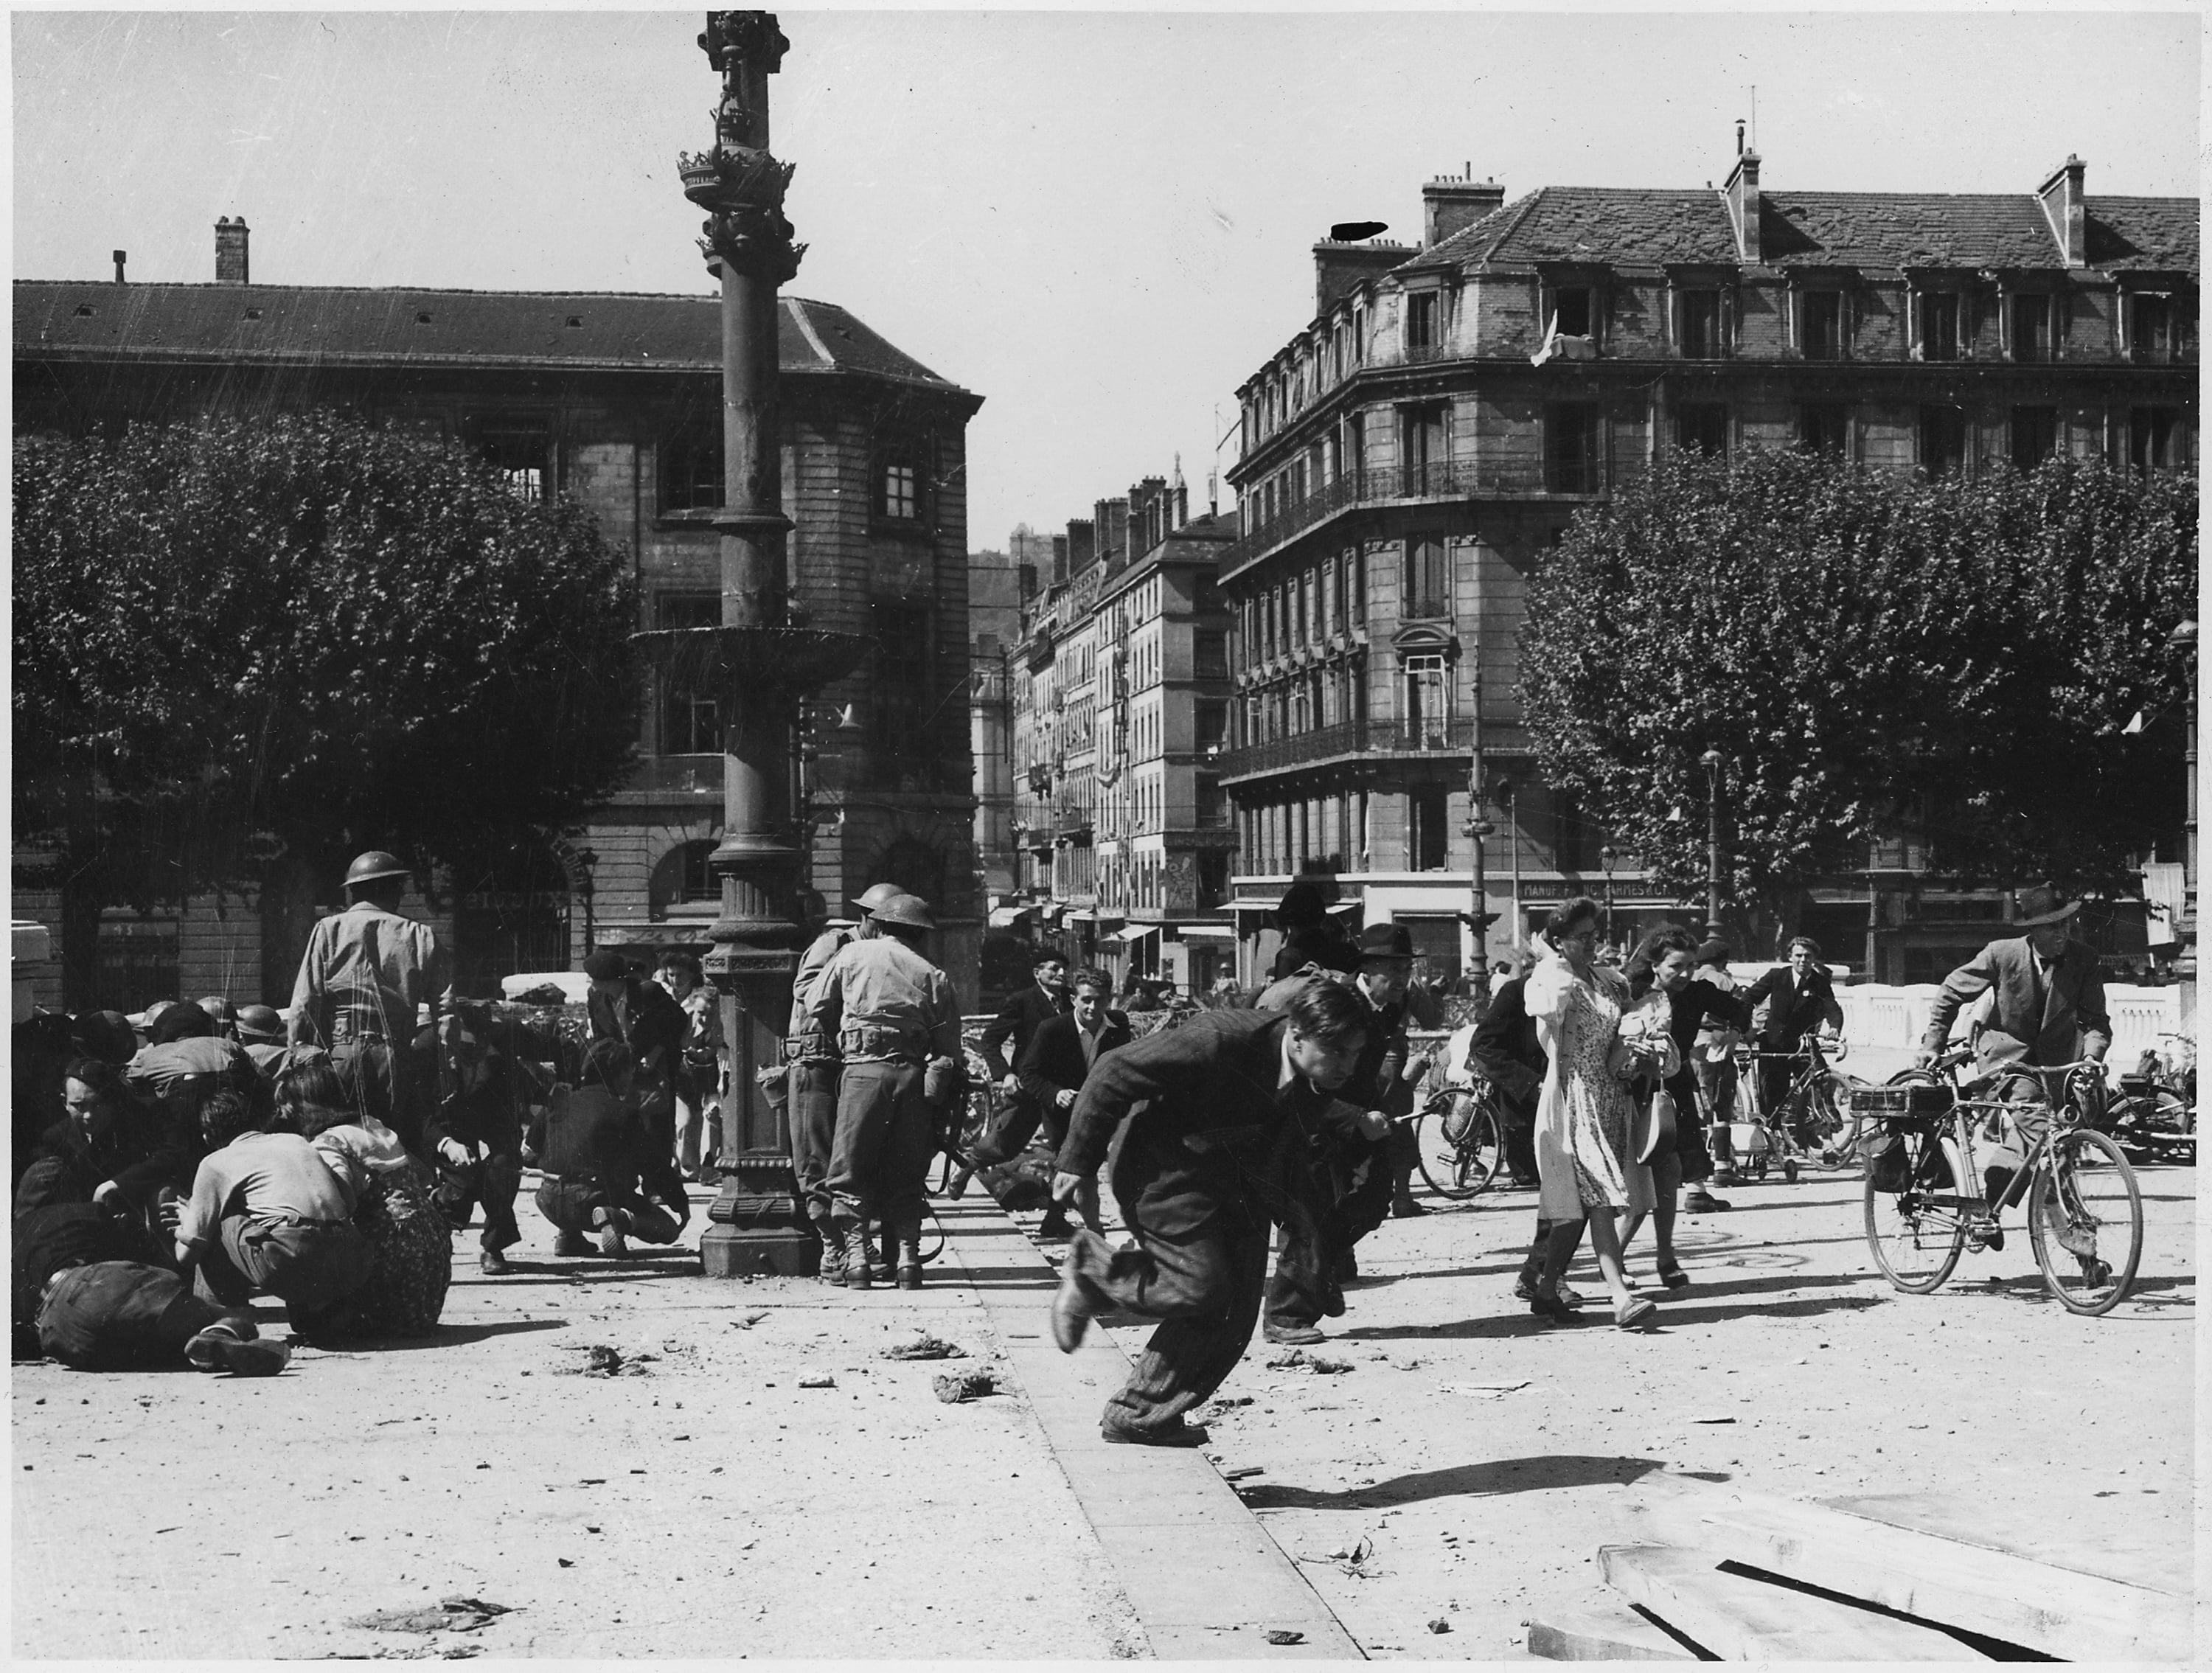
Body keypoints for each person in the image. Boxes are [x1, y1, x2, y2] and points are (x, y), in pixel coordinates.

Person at [1044, 981, 1374, 1446]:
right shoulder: (1220, 1038)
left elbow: (1291, 1143)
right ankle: (1094, 1272)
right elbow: (1114, 1069)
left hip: (1235, 1181)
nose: (1347, 1066)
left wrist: (1304, 1228)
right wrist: (1077, 1160)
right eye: (1336, 1052)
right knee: (1199, 1283)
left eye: (1354, 1053)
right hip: (1163, 1170)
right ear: (1296, 1034)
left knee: (1234, 1310)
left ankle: (1141, 1412)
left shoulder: (1319, 1074)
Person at [1261, 922, 1423, 1347]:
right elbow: (1301, 1080)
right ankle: (1286, 1316)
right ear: (1367, 969)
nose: (1403, 978)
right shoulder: (1340, 1004)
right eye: (1394, 969)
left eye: (1407, 969)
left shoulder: (1385, 1007)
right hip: (1313, 1124)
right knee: (1307, 1219)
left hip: (1355, 1123)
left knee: (1370, 1202)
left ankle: (1323, 1272)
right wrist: (1353, 1118)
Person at [799, 892, 962, 1290]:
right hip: (913, 1077)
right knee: (906, 1169)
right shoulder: (933, 974)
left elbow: (814, 1003)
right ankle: (908, 1262)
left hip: (863, 1073)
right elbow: (949, 1052)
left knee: (849, 1168)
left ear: (881, 923)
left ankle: (857, 1262)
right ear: (919, 935)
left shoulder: (853, 955)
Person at [1524, 897, 1663, 1331]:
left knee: (1576, 1212)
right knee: (1600, 1195)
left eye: (1593, 936)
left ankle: (1545, 1290)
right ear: (1559, 941)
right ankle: (1619, 1296)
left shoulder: (1609, 981)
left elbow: (1625, 1028)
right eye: (1580, 938)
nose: (1591, 944)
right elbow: (1548, 1007)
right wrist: (1553, 962)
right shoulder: (1549, 979)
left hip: (1610, 1097)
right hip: (1574, 1098)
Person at [289, 850, 453, 1155]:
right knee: (395, 1146)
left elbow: (305, 1000)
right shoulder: (421, 935)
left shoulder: (329, 929)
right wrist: (447, 1065)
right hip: (396, 1055)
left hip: (342, 1054)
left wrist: (300, 1052)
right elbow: (445, 1014)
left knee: (339, 1145)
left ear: (354, 890)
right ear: (392, 889)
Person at [280, 1063, 452, 1338]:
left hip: (390, 1253)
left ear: (306, 1104)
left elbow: (335, 1204)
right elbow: (423, 1174)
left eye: (288, 1104)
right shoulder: (373, 1126)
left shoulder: (329, 1143)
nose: (284, 1112)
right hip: (427, 1252)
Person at [1618, 928, 1750, 1287]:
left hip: (1672, 1088)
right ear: (1655, 964)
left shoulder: (1697, 992)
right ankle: (1610, 1261)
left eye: (1692, 966)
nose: (1686, 974)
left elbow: (1740, 1008)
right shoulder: (1630, 993)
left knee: (1669, 1171)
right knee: (1632, 1181)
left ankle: (1665, 1256)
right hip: (1629, 1089)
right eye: (1677, 966)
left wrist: (1735, 1032)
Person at [174, 1089, 373, 1314]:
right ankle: (324, 1315)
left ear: (207, 1137)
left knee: (219, 1223)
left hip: (294, 1259)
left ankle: (226, 1323)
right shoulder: (296, 1142)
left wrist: (188, 1221)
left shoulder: (214, 1162)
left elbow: (186, 1256)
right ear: (258, 1122)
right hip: (353, 1260)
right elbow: (348, 1202)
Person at [786, 886, 899, 1264]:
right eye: (884, 925)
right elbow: (806, 990)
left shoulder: (883, 952)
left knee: (852, 1161)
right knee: (816, 1160)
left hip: (854, 1064)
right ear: (866, 919)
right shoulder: (836, 943)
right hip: (817, 1062)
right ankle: (833, 1249)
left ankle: (854, 1243)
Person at [1466, 961, 1585, 1307]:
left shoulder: (1582, 993)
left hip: (1574, 1107)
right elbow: (1484, 1047)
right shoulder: (1517, 992)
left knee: (1571, 1195)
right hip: (1529, 1111)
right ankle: (1546, 1277)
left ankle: (1538, 1275)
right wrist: (1532, 1087)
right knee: (1565, 1196)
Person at [1918, 885, 2112, 1079]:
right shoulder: (2001, 954)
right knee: (2033, 1109)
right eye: (2052, 926)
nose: (2062, 933)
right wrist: (1934, 1045)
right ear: (2032, 929)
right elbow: (1950, 992)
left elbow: (2096, 1021)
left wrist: (2091, 1057)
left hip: (2059, 1065)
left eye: (2065, 923)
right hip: (2006, 1060)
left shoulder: (2084, 959)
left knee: (2089, 1107)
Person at [529, 1040, 692, 1259]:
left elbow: (530, 1151)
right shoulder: (624, 1112)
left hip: (548, 1200)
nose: (632, 1076)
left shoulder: (560, 1102)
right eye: (629, 1070)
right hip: (591, 1200)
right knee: (667, 1228)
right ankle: (616, 1218)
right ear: (618, 1072)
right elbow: (654, 1166)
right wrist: (680, 1203)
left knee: (573, 1170)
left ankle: (569, 1236)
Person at [1015, 967, 1128, 1242]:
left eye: (1099, 1000)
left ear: (1109, 999)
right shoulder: (1053, 1029)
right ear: (1074, 999)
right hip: (1062, 1113)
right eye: (1086, 999)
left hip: (1099, 1113)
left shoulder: (1118, 1026)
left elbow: (1123, 1067)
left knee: (1082, 1168)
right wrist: (1056, 1093)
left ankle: (1057, 1218)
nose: (1092, 1007)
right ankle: (1094, 1231)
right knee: (1083, 1169)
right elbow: (1028, 1073)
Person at [424, 1000, 532, 1276]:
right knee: (464, 1182)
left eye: (476, 1047)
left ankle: (494, 1247)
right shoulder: (429, 1059)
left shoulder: (499, 1060)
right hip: (447, 1129)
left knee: (503, 1168)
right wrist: (448, 1145)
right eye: (464, 1048)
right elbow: (421, 1117)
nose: (469, 1053)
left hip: (487, 1119)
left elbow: (526, 1095)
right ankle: (437, 1219)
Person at [33, 1261, 289, 1375]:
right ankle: (223, 1331)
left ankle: (203, 1340)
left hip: (63, 1332)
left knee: (156, 1346)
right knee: (224, 1318)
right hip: (101, 1294)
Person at [584, 950, 688, 1167]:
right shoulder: (595, 998)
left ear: (609, 979)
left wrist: (656, 1052)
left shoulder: (648, 992)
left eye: (594, 978)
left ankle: (656, 1185)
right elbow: (600, 1036)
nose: (591, 983)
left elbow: (677, 1022)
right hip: (621, 1071)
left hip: (655, 1068)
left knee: (657, 1127)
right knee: (625, 1126)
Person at [970, 948, 1073, 1167]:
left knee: (1064, 1146)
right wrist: (1005, 1075)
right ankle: (969, 1166)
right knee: (1004, 1145)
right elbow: (990, 1040)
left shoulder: (1073, 1000)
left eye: (1065, 969)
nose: (1062, 973)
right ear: (1037, 973)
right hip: (1027, 1085)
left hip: (1062, 1086)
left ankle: (1056, 1198)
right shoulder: (1022, 1001)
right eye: (1055, 968)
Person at [14, 1059, 155, 1217]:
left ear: (112, 1102)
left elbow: (166, 1159)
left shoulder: (135, 1125)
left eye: (98, 1104)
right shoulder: (55, 1138)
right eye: (78, 1106)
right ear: (64, 1102)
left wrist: (116, 1185)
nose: (88, 1115)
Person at [1739, 936, 1844, 1141]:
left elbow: (1832, 1007)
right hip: (1775, 1044)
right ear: (1790, 957)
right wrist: (1745, 1026)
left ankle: (1815, 1130)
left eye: (1808, 956)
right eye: (1799, 955)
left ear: (1814, 959)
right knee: (1774, 1092)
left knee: (1820, 1083)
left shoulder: (1819, 982)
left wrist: (1834, 1027)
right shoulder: (1777, 976)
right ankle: (1773, 1137)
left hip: (1804, 1044)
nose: (1803, 960)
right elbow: (1750, 997)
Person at [658, 951, 726, 1182]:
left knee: (706, 1116)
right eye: (671, 975)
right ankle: (686, 1167)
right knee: (682, 1120)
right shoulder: (663, 996)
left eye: (679, 975)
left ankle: (703, 1166)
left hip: (702, 1068)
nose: (675, 980)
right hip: (674, 1066)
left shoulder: (700, 1001)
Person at [1690, 940, 1745, 1186]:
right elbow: (1742, 1013)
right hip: (1717, 1043)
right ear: (1724, 961)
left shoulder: (1688, 978)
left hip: (1690, 1047)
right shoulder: (1725, 981)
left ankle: (1694, 1170)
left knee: (1694, 1105)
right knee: (1722, 1101)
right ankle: (1722, 1166)